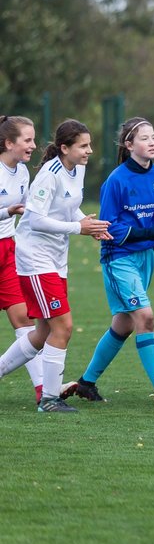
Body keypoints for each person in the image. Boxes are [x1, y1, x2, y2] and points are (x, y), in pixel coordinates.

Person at [63, 118, 154, 405]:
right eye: (144, 138)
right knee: (145, 317)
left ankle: (86, 383)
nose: (152, 142)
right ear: (129, 145)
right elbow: (109, 228)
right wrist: (151, 232)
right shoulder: (116, 180)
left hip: (145, 257)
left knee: (123, 324)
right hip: (118, 259)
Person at [0, 120, 112, 412]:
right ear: (65, 148)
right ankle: (49, 399)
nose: (90, 150)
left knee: (42, 331)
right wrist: (78, 228)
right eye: (83, 145)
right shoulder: (49, 175)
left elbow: (67, 207)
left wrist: (89, 223)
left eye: (89, 144)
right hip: (34, 258)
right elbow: (35, 219)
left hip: (55, 259)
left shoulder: (79, 169)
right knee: (63, 325)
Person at [0, 114, 44, 403]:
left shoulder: (24, 173)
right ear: (8, 143)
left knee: (25, 321)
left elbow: (29, 212)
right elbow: (14, 210)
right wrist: (7, 212)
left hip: (8, 251)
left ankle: (44, 391)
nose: (33, 145)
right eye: (27, 140)